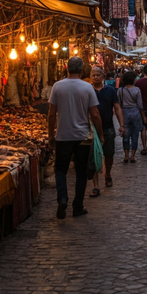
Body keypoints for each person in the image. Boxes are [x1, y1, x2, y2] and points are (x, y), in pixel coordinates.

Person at [48, 57, 104, 219]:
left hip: (63, 136)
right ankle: (77, 206)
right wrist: (100, 135)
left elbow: (51, 113)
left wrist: (51, 134)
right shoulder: (87, 88)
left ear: (67, 68)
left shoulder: (57, 86)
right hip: (82, 137)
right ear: (81, 70)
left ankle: (63, 198)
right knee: (81, 172)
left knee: (60, 169)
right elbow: (95, 114)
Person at [89, 67, 125, 196]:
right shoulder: (87, 91)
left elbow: (117, 107)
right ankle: (96, 185)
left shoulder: (110, 91)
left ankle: (108, 173)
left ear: (103, 76)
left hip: (108, 127)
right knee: (93, 156)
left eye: (98, 75)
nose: (96, 77)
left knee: (109, 154)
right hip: (91, 129)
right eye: (93, 75)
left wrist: (122, 124)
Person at [118, 70, 146, 163]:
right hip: (135, 113)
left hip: (124, 113)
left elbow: (118, 104)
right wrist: (143, 116)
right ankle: (132, 156)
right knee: (135, 134)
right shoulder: (137, 90)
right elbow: (140, 105)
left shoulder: (120, 90)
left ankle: (126, 155)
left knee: (125, 134)